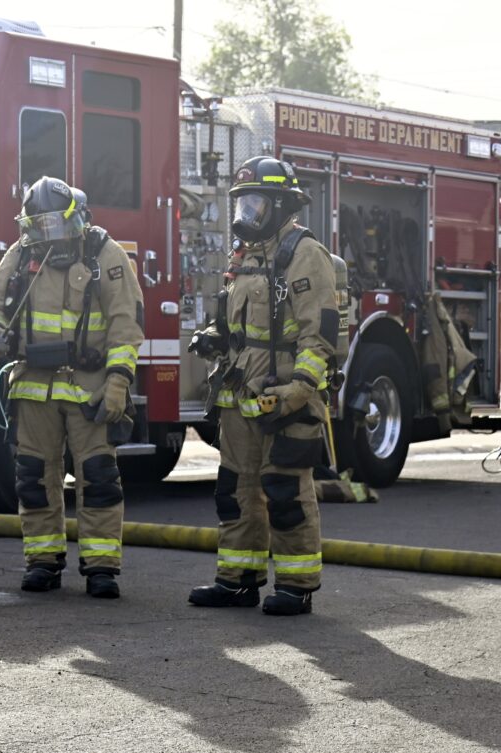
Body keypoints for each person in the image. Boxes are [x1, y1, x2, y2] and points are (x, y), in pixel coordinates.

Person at [0, 176, 144, 599]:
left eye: (53, 224)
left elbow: (126, 324)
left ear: (75, 218)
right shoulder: (21, 254)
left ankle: (102, 567)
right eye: (39, 226)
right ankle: (42, 561)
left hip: (89, 388)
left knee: (98, 477)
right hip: (33, 387)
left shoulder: (104, 253)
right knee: (34, 478)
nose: (47, 234)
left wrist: (118, 381)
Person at [187, 156, 339, 616]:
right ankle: (237, 581)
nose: (246, 213)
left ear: (281, 204)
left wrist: (302, 387)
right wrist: (213, 337)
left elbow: (319, 333)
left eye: (255, 203)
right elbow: (236, 325)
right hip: (240, 397)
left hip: (284, 397)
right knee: (235, 491)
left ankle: (295, 586)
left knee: (285, 490)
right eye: (243, 203)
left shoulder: (304, 253)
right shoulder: (245, 256)